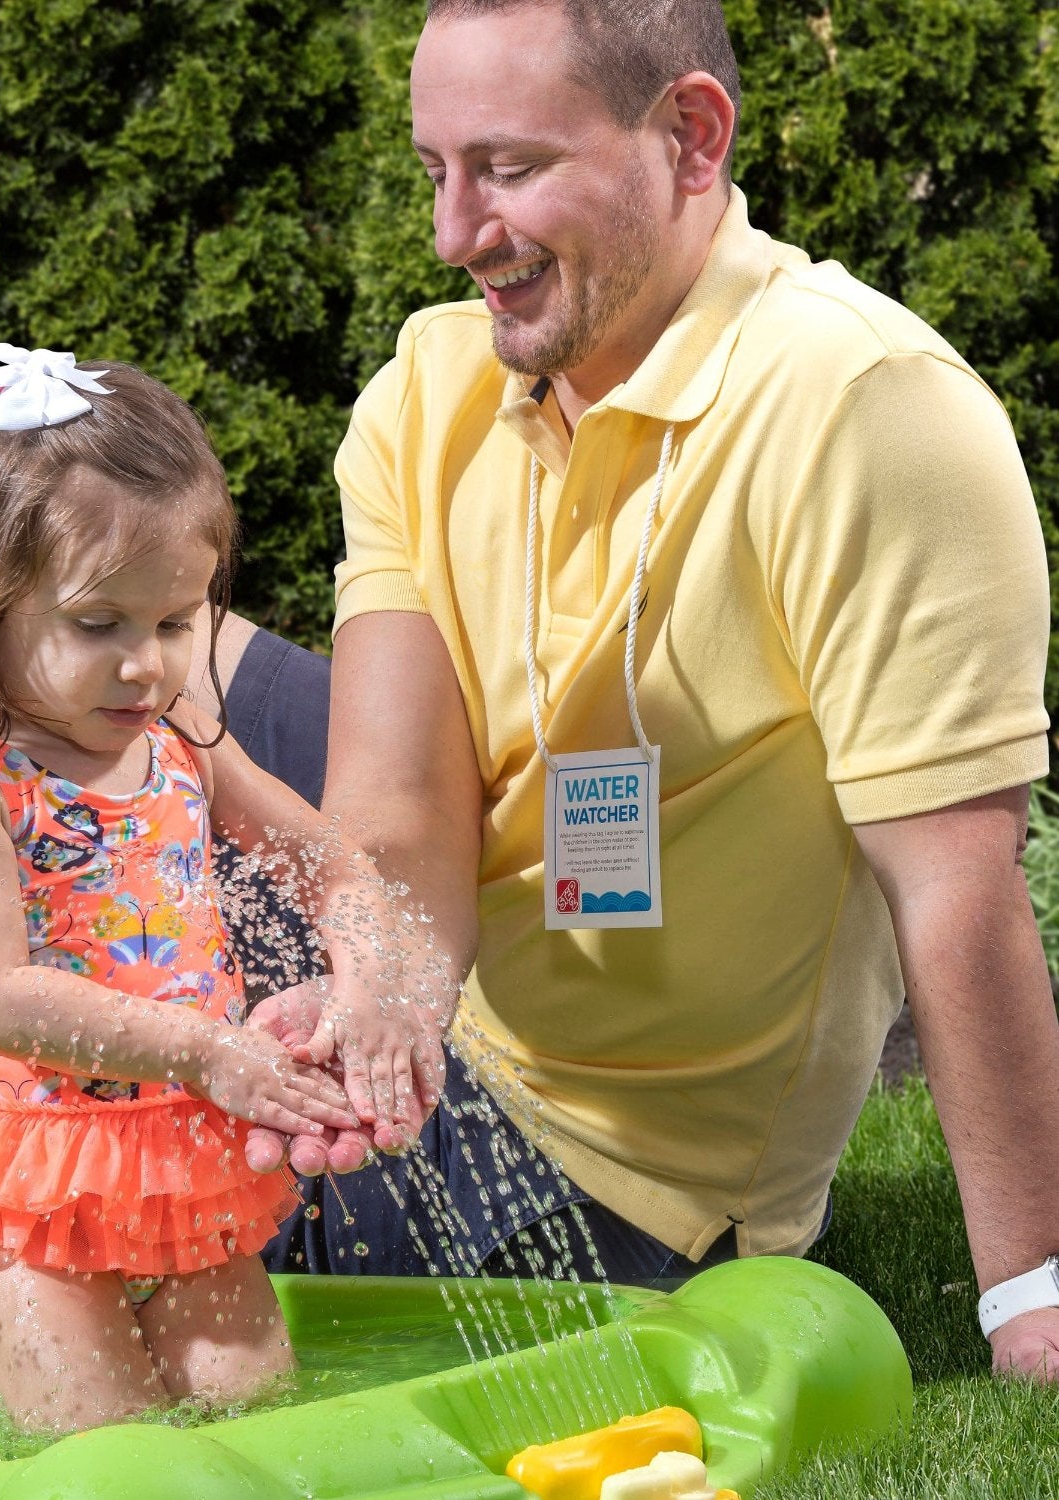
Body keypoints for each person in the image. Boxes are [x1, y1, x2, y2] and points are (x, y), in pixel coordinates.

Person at [242, 0, 1059, 1382]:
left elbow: (954, 889)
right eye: (435, 171)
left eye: (507, 168)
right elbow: (400, 801)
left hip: (628, 1184)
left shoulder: (865, 406)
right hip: (466, 1026)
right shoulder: (427, 386)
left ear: (690, 136)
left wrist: (1031, 1293)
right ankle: (1, 1160)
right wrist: (380, 1006)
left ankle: (27, 1212)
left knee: (133, 1273)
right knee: (93, 662)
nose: (453, 233)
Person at [0, 344, 417, 1433]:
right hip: (29, 1165)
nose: (144, 664)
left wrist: (367, 985)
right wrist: (207, 1049)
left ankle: (6, 1341)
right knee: (98, 1437)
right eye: (98, 625)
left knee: (245, 1405)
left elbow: (329, 862)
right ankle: (2, 1314)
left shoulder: (182, 738)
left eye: (174, 622)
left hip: (180, 1151)